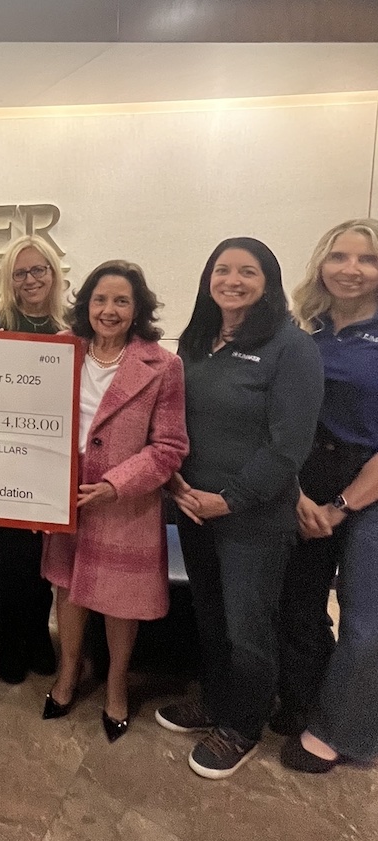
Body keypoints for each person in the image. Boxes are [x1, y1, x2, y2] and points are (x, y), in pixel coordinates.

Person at [157, 237, 323, 778]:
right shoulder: (196, 342)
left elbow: (288, 446)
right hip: (193, 507)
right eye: (222, 270)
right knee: (209, 616)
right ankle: (216, 700)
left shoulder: (291, 347)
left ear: (268, 282)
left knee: (248, 629)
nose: (232, 280)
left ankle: (243, 726)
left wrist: (230, 500)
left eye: (247, 271)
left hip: (253, 517)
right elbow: (174, 419)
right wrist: (176, 483)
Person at [41, 260, 188, 741]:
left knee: (120, 600)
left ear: (137, 308)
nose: (109, 310)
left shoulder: (163, 365)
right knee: (67, 588)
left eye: (121, 301)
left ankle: (117, 684)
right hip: (67, 494)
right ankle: (68, 673)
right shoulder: (60, 349)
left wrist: (116, 484)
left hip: (125, 501)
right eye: (100, 299)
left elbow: (170, 447)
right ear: (86, 304)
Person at [276, 218, 378, 772]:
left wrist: (341, 507)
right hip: (307, 481)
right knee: (300, 606)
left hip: (369, 486)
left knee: (366, 623)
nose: (352, 269)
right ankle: (304, 702)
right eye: (340, 256)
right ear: (322, 263)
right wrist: (297, 493)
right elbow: (285, 421)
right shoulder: (304, 332)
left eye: (368, 259)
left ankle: (338, 731)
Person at [0, 234, 64, 683]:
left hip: (55, 460)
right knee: (13, 558)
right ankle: (12, 641)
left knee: (46, 558)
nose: (30, 279)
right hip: (6, 459)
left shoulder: (74, 327)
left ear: (53, 273)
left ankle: (38, 635)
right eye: (20, 273)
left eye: (39, 269)